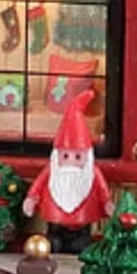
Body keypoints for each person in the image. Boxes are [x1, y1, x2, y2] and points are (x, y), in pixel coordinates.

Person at [22, 87, 113, 250]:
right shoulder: (52, 170)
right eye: (65, 156)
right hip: (55, 222)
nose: (70, 162)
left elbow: (102, 191)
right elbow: (37, 187)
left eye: (77, 157)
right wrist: (31, 200)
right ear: (56, 155)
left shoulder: (91, 172)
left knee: (81, 246)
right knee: (53, 245)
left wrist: (107, 203)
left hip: (83, 222)